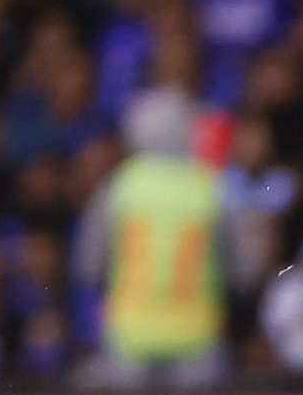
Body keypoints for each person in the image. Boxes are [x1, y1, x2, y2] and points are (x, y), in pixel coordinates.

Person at [72, 95, 239, 388]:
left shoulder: (120, 187)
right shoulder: (210, 187)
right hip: (196, 335)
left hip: (130, 337)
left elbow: (88, 264)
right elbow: (239, 268)